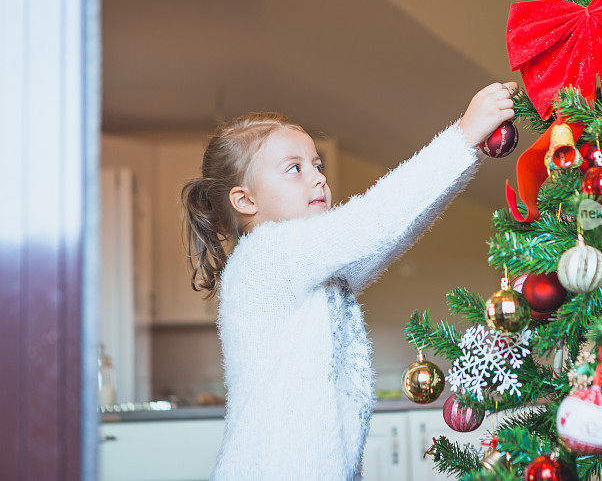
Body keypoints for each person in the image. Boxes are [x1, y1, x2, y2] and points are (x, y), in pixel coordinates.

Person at [181, 81, 516, 480]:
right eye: (295, 168)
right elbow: (375, 220)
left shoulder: (306, 265)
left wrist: (468, 151)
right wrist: (462, 137)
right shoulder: (269, 254)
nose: (317, 178)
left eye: (317, 164)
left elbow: (394, 231)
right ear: (246, 201)